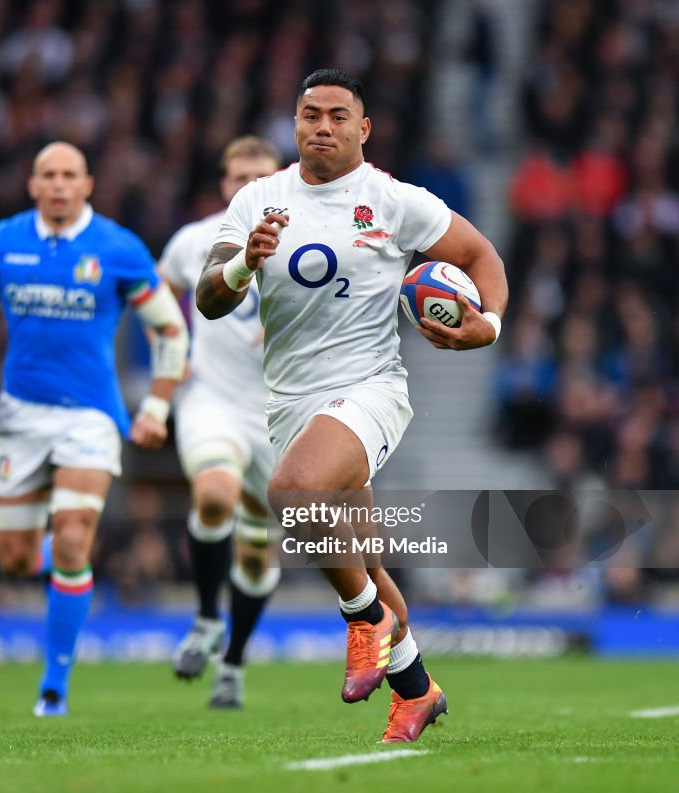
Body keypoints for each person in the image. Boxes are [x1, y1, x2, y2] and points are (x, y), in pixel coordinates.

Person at [196, 69, 508, 742]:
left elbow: (480, 253)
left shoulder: (392, 200)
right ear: (296, 123)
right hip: (292, 404)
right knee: (362, 561)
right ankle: (417, 690)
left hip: (370, 389)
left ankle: (364, 622)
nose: (323, 127)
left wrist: (492, 323)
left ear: (362, 128)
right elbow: (208, 296)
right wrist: (243, 265)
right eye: (311, 114)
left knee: (293, 492)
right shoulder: (258, 199)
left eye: (339, 116)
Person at [0, 141, 188, 717]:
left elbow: (169, 330)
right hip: (20, 414)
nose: (58, 185)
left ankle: (54, 683)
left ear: (88, 185)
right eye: (48, 175)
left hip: (91, 414)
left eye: (69, 175)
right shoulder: (3, 243)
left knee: (76, 528)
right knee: (12, 560)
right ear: (32, 186)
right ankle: (58, 562)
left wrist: (157, 405)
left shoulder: (118, 248)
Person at [159, 136, 283, 709]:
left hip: (283, 415)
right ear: (223, 184)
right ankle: (208, 617)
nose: (247, 187)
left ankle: (232, 662)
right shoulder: (194, 240)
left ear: (277, 178)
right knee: (213, 494)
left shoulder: (311, 237)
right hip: (213, 396)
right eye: (238, 177)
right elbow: (160, 290)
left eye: (259, 176)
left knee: (257, 556)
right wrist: (173, 349)